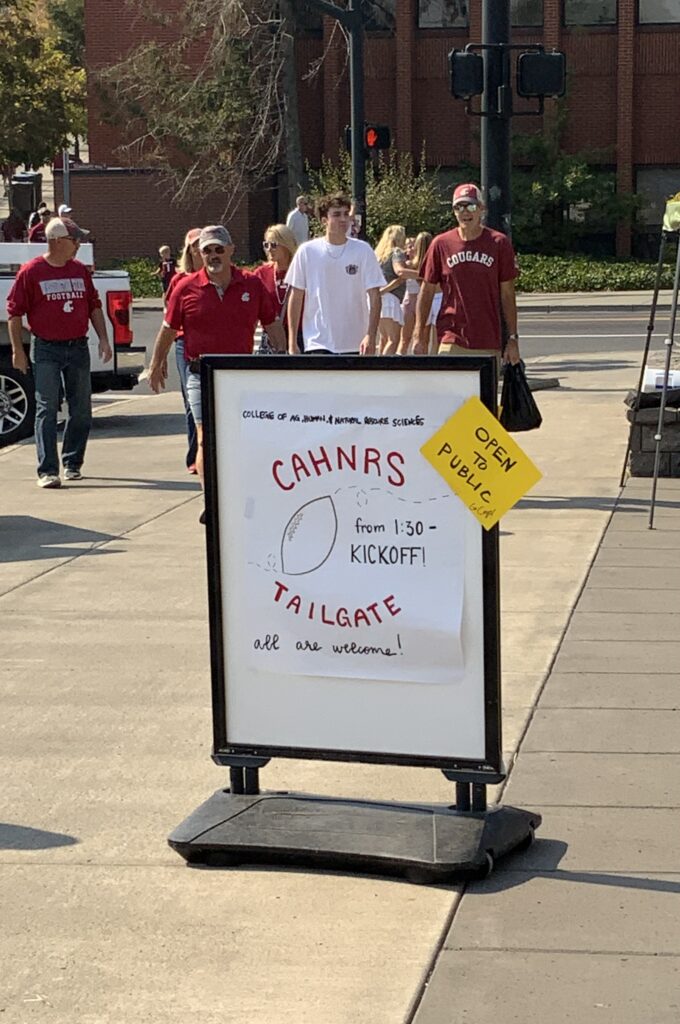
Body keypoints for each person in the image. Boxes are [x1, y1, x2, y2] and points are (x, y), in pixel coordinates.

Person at [147, 225, 285, 520]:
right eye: (207, 250)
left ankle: (241, 492)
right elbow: (168, 329)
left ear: (231, 250)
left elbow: (272, 324)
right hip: (200, 372)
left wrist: (284, 359)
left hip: (240, 373)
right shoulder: (185, 287)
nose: (213, 255)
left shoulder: (250, 285)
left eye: (218, 249)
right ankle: (212, 500)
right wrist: (155, 364)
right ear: (199, 253)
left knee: (240, 436)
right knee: (204, 435)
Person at [7, 217, 112, 488]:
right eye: (74, 239)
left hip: (77, 347)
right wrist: (18, 350)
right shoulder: (31, 272)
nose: (78, 244)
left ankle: (72, 463)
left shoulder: (79, 270)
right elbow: (15, 313)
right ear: (56, 241)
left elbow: (93, 306)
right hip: (46, 348)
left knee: (82, 410)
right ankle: (47, 470)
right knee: (47, 407)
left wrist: (103, 338)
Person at [413, 184, 520, 366]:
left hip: (487, 338)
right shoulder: (441, 244)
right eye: (459, 207)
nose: (465, 212)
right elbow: (427, 291)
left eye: (471, 206)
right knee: (452, 393)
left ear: (482, 209)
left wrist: (512, 339)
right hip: (451, 336)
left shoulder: (498, 243)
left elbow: (508, 295)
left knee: (479, 396)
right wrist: (419, 334)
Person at [285, 192, 385, 356]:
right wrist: (292, 341)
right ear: (324, 220)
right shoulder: (307, 251)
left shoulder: (363, 250)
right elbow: (296, 296)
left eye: (346, 214)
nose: (343, 219)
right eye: (337, 215)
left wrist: (371, 336)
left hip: (355, 343)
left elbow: (375, 295)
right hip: (318, 342)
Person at [167, 227, 202, 473]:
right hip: (184, 344)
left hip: (212, 343)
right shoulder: (179, 280)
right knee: (191, 403)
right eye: (195, 246)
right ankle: (194, 456)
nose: (201, 250)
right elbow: (168, 315)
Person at [249, 223, 298, 352]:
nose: (269, 249)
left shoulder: (301, 271)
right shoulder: (261, 274)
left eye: (274, 245)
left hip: (299, 335)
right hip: (271, 337)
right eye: (266, 245)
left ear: (286, 245)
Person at [374, 224, 416, 355]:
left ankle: (378, 369)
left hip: (378, 298)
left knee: (383, 338)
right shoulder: (397, 252)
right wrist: (424, 273)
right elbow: (400, 272)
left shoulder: (378, 255)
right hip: (390, 297)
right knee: (393, 339)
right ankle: (385, 369)